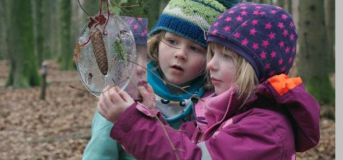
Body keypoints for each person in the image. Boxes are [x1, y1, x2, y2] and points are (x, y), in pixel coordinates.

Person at [97, 2, 320, 160]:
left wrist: (132, 123)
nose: (211, 65)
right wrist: (149, 114)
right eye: (212, 53)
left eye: (226, 56)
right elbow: (188, 146)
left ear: (256, 67)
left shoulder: (265, 128)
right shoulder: (232, 111)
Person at [82, 0, 239, 159]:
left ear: (210, 58)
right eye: (172, 41)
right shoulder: (126, 91)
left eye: (195, 48)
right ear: (156, 42)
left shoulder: (215, 105)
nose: (180, 54)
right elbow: (99, 153)